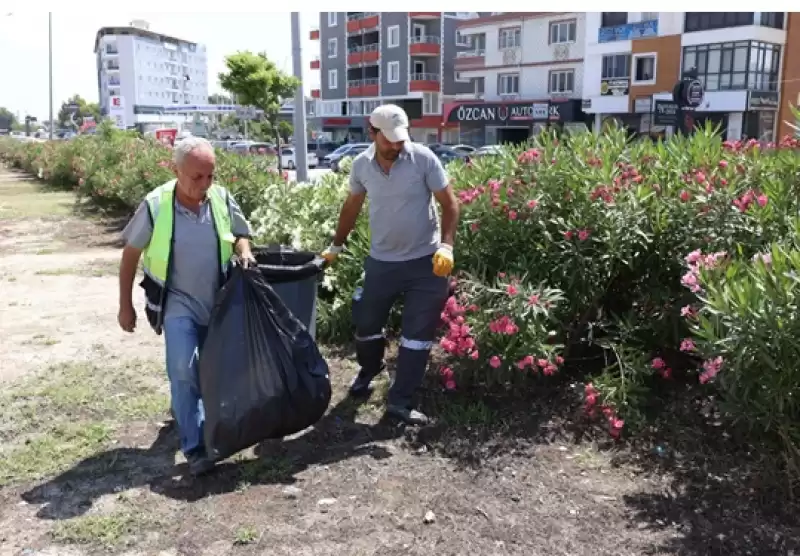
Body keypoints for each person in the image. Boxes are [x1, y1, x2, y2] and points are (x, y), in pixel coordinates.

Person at [117, 136, 255, 476]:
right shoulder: (156, 205)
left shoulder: (220, 198)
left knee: (214, 371)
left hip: (218, 302)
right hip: (178, 303)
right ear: (176, 170)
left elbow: (240, 233)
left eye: (211, 176)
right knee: (183, 367)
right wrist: (125, 305)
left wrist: (245, 250)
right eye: (197, 177)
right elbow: (130, 255)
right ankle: (195, 448)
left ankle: (198, 418)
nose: (205, 184)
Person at [322, 104, 460, 425]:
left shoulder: (424, 158)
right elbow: (351, 207)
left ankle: (400, 402)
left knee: (417, 336)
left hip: (427, 264)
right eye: (389, 140)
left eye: (400, 140)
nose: (396, 147)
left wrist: (447, 246)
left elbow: (449, 204)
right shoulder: (361, 166)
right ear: (372, 133)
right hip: (382, 263)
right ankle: (371, 368)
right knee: (367, 326)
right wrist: (335, 246)